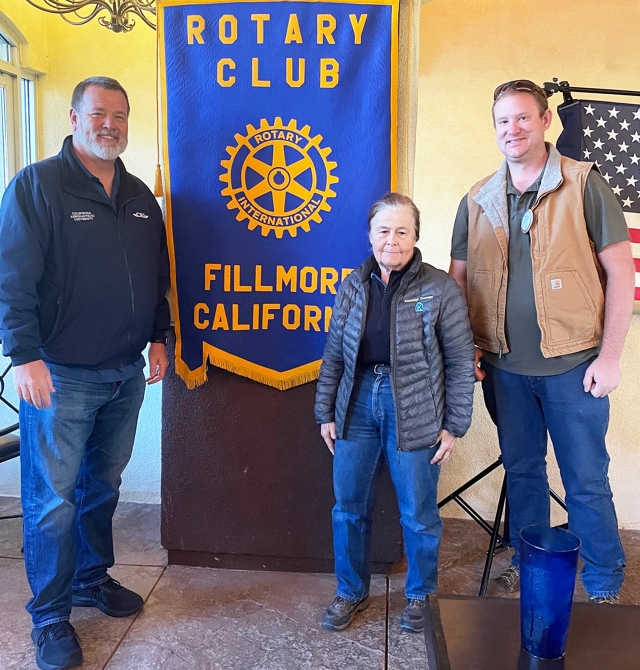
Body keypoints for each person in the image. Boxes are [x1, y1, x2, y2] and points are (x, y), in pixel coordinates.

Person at [0, 76, 170, 670]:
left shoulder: (141, 196)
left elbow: (157, 277)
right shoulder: (37, 186)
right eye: (99, 114)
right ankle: (49, 617)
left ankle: (91, 580)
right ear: (73, 117)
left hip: (124, 373)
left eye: (120, 115)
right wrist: (24, 357)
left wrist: (160, 338)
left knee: (102, 487)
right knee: (51, 502)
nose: (111, 125)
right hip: (58, 375)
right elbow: (12, 281)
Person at [448, 79, 635, 603]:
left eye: (524, 118)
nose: (513, 129)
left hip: (576, 368)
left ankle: (602, 583)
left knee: (585, 480)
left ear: (546, 120)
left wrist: (612, 356)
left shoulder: (584, 184)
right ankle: (530, 566)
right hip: (504, 370)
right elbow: (457, 280)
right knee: (524, 472)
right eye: (503, 121)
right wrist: (467, 355)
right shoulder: (477, 199)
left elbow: (621, 274)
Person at [315, 192, 475, 633]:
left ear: (416, 236)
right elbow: (333, 355)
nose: (392, 240)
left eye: (402, 231)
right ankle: (350, 590)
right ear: (370, 236)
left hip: (417, 405)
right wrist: (325, 411)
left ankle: (421, 595)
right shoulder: (352, 285)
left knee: (418, 512)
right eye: (383, 230)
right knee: (348, 507)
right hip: (356, 401)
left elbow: (461, 361)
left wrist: (455, 425)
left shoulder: (440, 288)